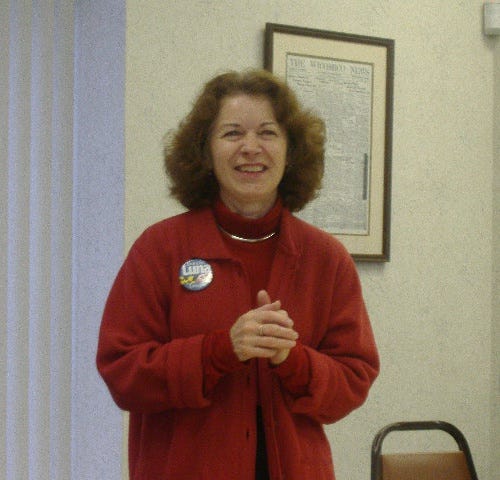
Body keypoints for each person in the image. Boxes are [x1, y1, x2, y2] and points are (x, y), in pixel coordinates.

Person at [96, 69, 379, 480]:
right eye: (231, 134)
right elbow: (123, 372)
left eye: (267, 133)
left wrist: (292, 359)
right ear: (205, 152)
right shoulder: (160, 249)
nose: (251, 148)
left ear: (291, 150)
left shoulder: (326, 259)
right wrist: (220, 351)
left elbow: (352, 380)